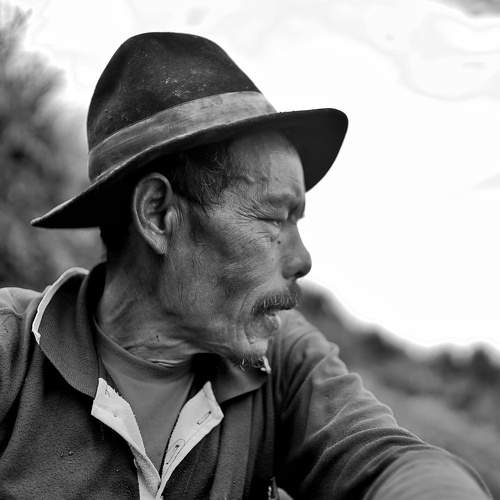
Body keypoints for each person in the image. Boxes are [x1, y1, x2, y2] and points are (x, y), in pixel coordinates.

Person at [0, 32, 490, 500]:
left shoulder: (281, 357)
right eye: (274, 218)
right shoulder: (11, 352)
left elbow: (382, 461)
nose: (302, 260)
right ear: (158, 214)